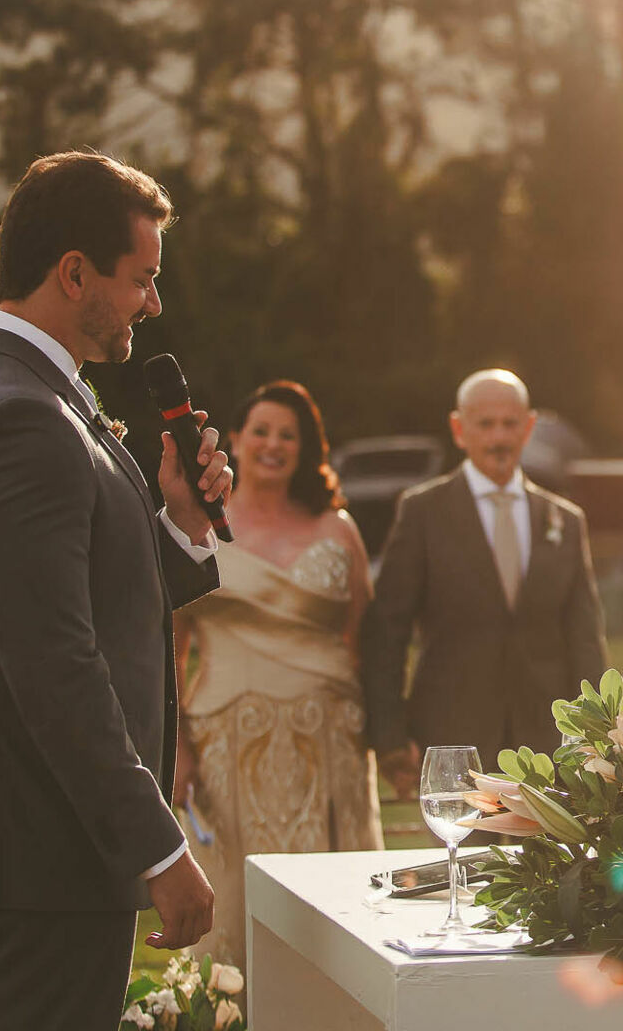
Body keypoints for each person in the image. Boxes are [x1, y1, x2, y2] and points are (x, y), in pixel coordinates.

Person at [0, 152, 231, 1031]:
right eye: (144, 278)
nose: (154, 304)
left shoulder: (30, 393)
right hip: (38, 848)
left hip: (42, 849)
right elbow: (52, 663)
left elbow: (87, 597)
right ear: (74, 272)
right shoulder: (19, 417)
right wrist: (160, 847)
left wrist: (180, 524)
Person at [173, 380, 383, 966]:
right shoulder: (197, 528)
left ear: (306, 448)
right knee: (238, 905)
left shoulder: (339, 531)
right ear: (235, 440)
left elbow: (364, 641)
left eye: (289, 435)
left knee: (339, 915)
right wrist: (178, 749)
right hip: (229, 747)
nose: (273, 443)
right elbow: (171, 646)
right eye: (261, 430)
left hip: (330, 745)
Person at [362, 369, 609, 797]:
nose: (499, 437)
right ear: (459, 429)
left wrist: (598, 731)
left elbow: (585, 636)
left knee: (550, 863)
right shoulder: (422, 512)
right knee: (462, 862)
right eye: (485, 424)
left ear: (529, 427)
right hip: (452, 741)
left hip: (548, 746)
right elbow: (387, 631)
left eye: (510, 424)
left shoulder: (565, 521)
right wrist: (389, 738)